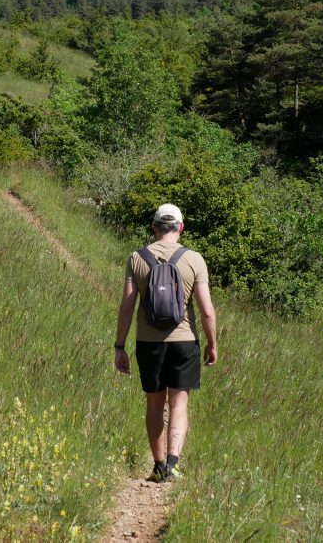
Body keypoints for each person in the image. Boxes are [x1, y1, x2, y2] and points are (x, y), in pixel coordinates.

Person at [114, 203, 217, 482]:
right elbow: (207, 310)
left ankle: (158, 466)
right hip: (184, 341)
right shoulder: (194, 259)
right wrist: (212, 344)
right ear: (180, 227)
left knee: (154, 404)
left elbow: (127, 306)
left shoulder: (137, 258)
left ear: (155, 227)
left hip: (149, 342)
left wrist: (120, 346)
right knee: (179, 404)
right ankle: (173, 463)